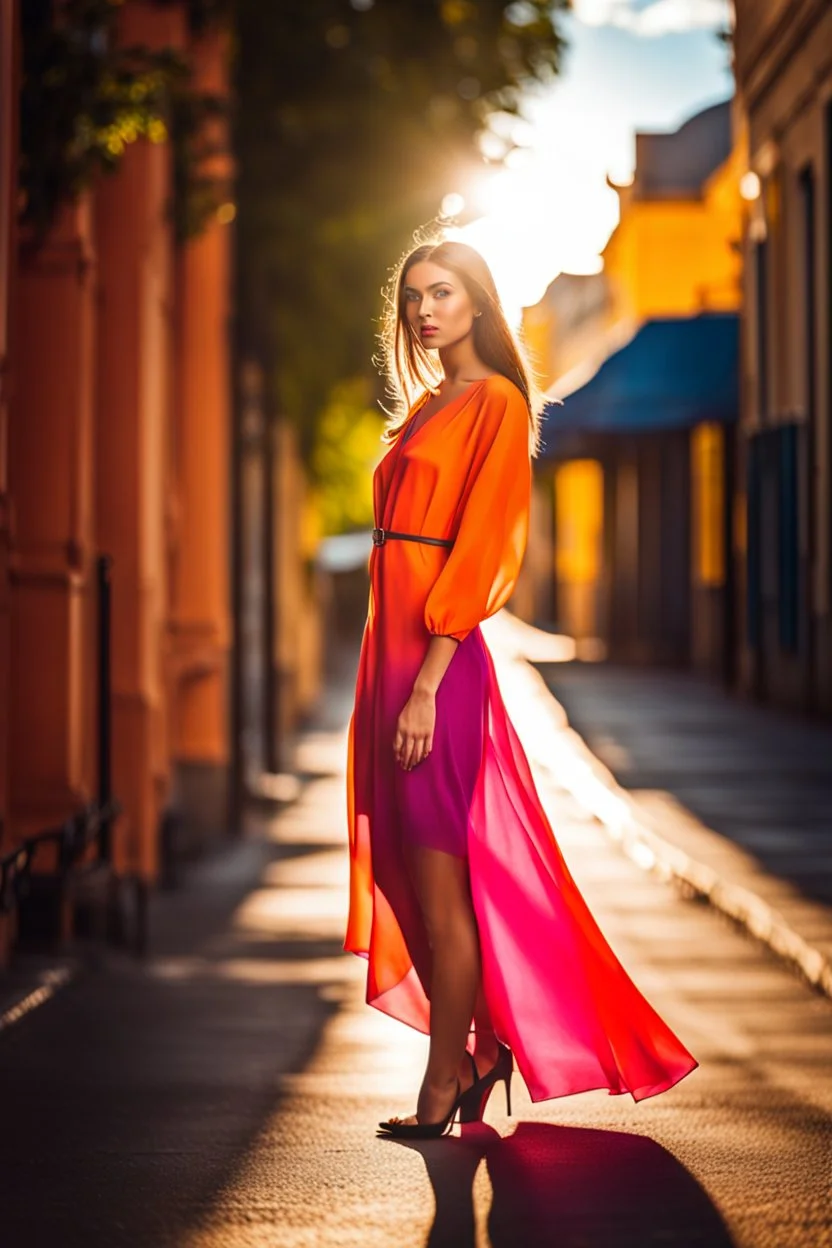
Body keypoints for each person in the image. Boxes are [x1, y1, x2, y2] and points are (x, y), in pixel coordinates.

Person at [345, 238, 697, 1139]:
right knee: (415, 881)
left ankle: (447, 1078)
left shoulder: (496, 403)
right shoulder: (427, 406)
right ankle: (479, 1052)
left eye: (445, 293)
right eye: (415, 296)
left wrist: (427, 681)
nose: (427, 311)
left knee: (442, 881)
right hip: (386, 666)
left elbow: (484, 550)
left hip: (436, 668)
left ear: (479, 304)